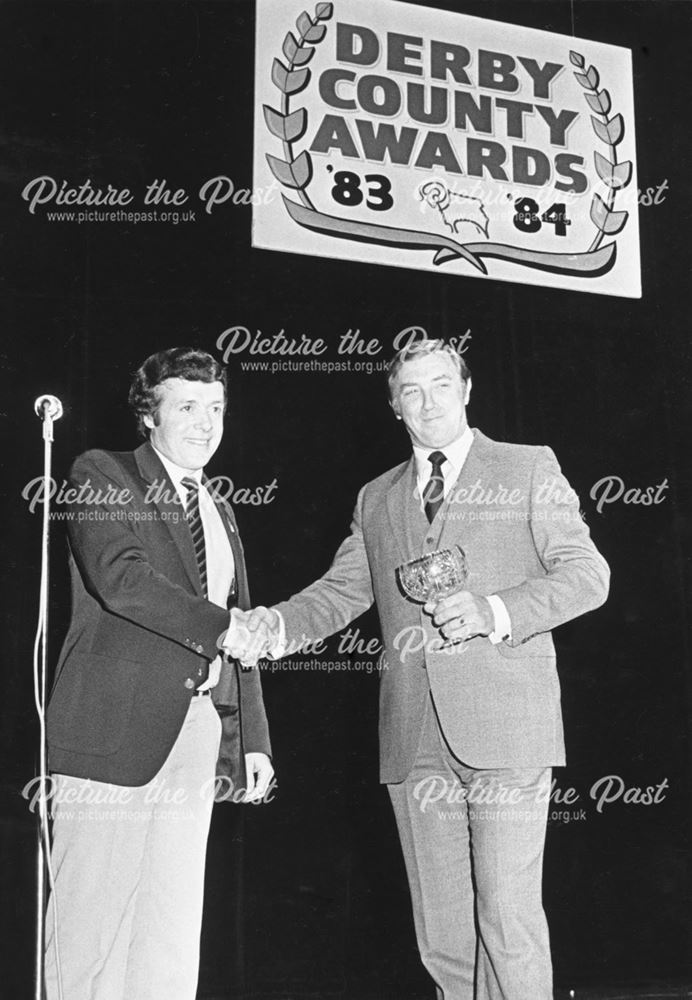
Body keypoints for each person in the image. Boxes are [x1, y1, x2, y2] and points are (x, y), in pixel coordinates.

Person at [231, 338, 609, 1000]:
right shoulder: (377, 498)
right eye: (411, 391)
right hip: (414, 741)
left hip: (506, 731)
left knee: (506, 921)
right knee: (442, 936)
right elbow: (341, 592)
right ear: (394, 407)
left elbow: (588, 575)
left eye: (440, 385)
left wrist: (495, 609)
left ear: (466, 391)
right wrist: (275, 628)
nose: (427, 401)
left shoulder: (526, 468)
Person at [44, 346, 273, 1000]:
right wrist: (225, 627)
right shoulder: (101, 473)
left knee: (170, 931)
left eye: (216, 408)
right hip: (111, 730)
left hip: (199, 734)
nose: (205, 423)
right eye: (187, 407)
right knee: (89, 928)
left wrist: (253, 739)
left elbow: (239, 621)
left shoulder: (222, 509)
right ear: (150, 415)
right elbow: (122, 580)